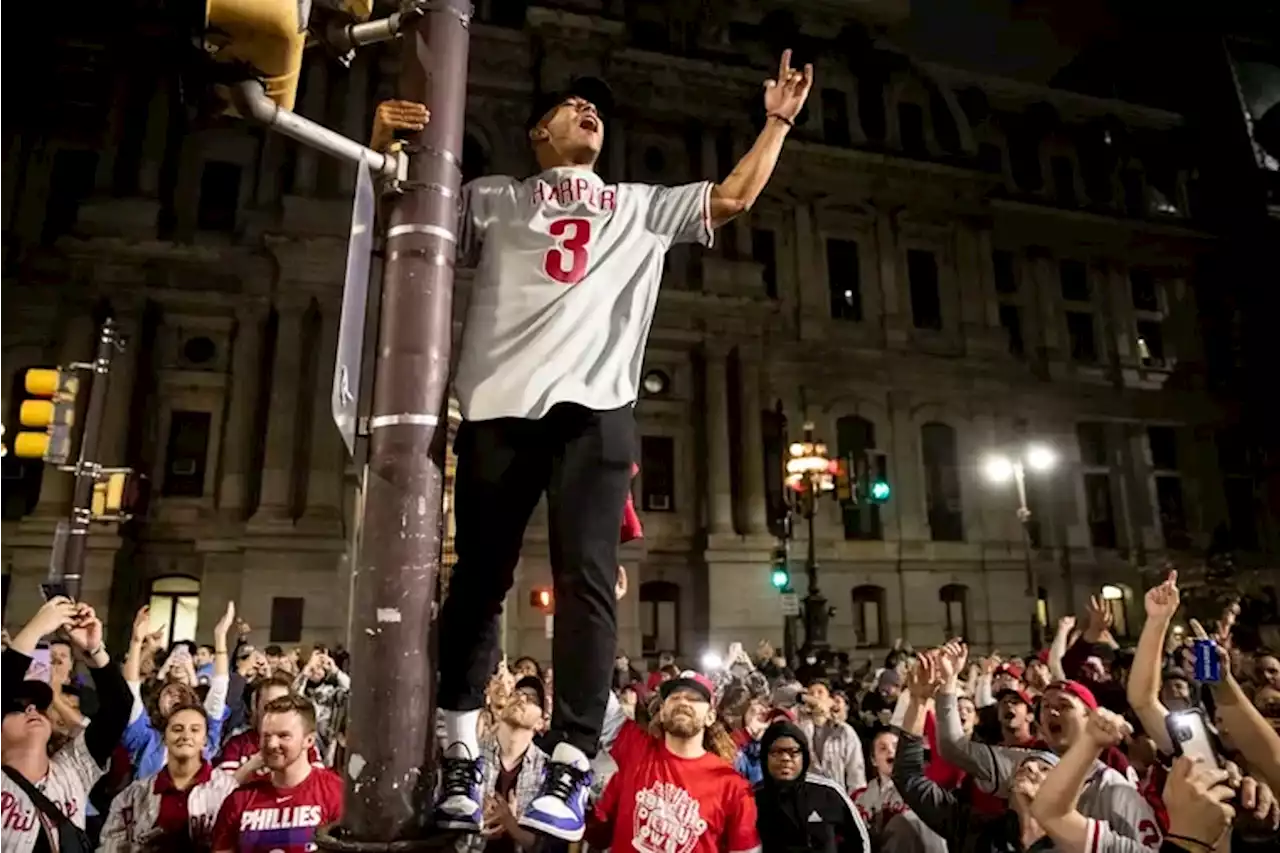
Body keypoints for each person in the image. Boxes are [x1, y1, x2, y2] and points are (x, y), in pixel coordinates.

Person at [392, 48, 814, 843]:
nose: (590, 111)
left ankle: (570, 760)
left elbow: (733, 195)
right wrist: (392, 142)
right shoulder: (493, 199)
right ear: (536, 131)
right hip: (497, 410)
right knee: (479, 578)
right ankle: (457, 752)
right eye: (571, 105)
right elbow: (406, 210)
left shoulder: (637, 205)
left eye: (597, 108)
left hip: (595, 410)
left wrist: (778, 120)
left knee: (585, 579)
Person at [0, 596, 131, 852]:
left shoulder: (73, 768)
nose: (31, 710)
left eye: (38, 706)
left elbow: (118, 707)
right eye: (18, 708)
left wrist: (93, 650)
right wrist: (36, 628)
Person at [585, 672, 760, 853]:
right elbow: (598, 696)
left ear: (710, 717)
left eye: (694, 699)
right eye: (675, 697)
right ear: (662, 712)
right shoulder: (636, 750)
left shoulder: (732, 786)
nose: (683, 702)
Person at [211, 695, 343, 853]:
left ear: (309, 740)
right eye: (266, 735)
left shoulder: (335, 793)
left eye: (283, 736)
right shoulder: (239, 800)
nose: (272, 744)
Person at [100, 704, 238, 852]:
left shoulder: (228, 790)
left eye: (195, 730)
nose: (186, 736)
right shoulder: (134, 795)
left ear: (205, 739)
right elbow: (109, 848)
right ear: (164, 737)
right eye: (177, 729)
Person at [755, 719, 870, 853]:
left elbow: (859, 841)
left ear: (804, 756)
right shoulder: (751, 799)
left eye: (793, 752)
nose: (785, 758)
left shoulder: (828, 792)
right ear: (764, 756)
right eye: (776, 752)